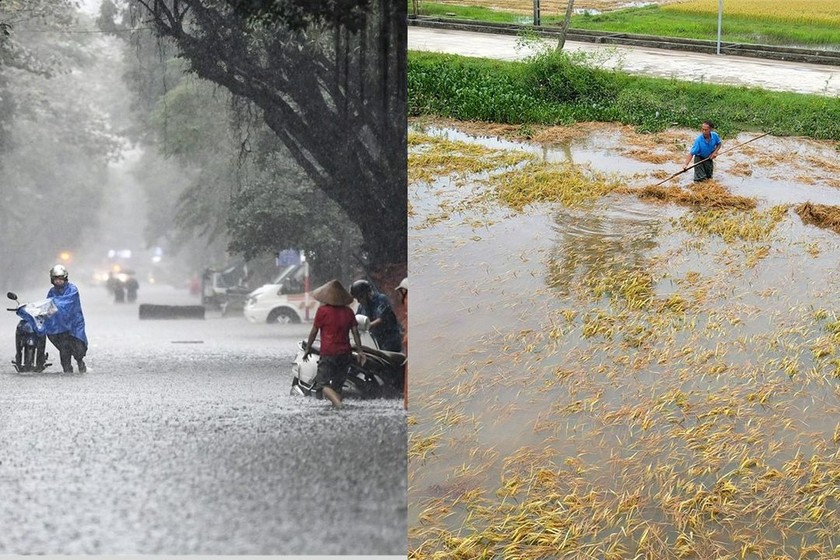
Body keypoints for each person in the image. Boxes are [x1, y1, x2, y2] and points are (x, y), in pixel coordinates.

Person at [303, 279, 366, 409]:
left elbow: (314, 332)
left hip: (328, 353)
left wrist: (308, 348)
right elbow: (355, 333)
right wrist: (360, 351)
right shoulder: (348, 312)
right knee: (337, 386)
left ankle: (339, 405)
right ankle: (337, 409)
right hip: (345, 354)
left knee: (321, 384)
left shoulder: (322, 311)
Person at [44, 264, 88, 373]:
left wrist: (55, 304)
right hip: (60, 325)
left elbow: (66, 303)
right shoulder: (52, 292)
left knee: (78, 348)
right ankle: (67, 370)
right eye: (55, 279)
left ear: (65, 278)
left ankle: (80, 362)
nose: (58, 281)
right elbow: (49, 305)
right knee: (64, 349)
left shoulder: (72, 289)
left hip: (74, 324)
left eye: (60, 279)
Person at [350, 279, 403, 353]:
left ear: (368, 293)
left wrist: (367, 326)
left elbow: (380, 319)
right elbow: (356, 319)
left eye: (361, 297)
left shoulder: (381, 299)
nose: (359, 301)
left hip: (390, 340)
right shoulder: (362, 307)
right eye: (357, 299)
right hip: (376, 341)